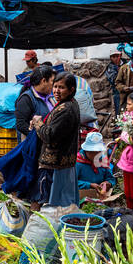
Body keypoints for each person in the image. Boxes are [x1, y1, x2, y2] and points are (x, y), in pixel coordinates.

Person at [37, 74, 82, 207]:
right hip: (63, 162)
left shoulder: (66, 109)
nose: (56, 90)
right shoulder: (69, 104)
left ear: (71, 89)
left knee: (56, 203)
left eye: (61, 87)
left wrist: (38, 123)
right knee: (63, 201)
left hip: (56, 164)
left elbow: (49, 136)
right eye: (55, 86)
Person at [15, 65, 54, 140]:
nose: (53, 84)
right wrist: (39, 136)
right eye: (52, 81)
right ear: (44, 81)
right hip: (35, 146)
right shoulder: (26, 99)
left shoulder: (49, 97)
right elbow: (20, 124)